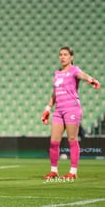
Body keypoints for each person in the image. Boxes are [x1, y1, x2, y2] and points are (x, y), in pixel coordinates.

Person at [41, 46, 100, 180]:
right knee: (54, 141)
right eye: (60, 54)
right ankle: (54, 171)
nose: (62, 57)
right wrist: (47, 109)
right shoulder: (57, 73)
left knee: (72, 139)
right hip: (58, 110)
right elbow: (54, 94)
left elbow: (82, 75)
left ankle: (73, 172)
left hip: (71, 108)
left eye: (65, 54)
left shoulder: (74, 70)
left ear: (71, 57)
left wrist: (91, 79)